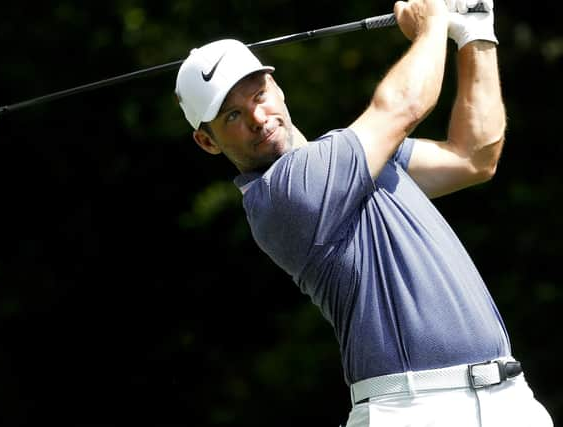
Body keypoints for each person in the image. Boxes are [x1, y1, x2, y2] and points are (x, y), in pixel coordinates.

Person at [175, 0, 554, 425]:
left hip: (508, 396)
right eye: (232, 115)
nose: (258, 117)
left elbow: (474, 157)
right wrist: (432, 25)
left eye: (259, 95)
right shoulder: (282, 194)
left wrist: (474, 33)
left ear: (276, 86)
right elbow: (403, 107)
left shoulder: (355, 153)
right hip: (414, 409)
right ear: (207, 142)